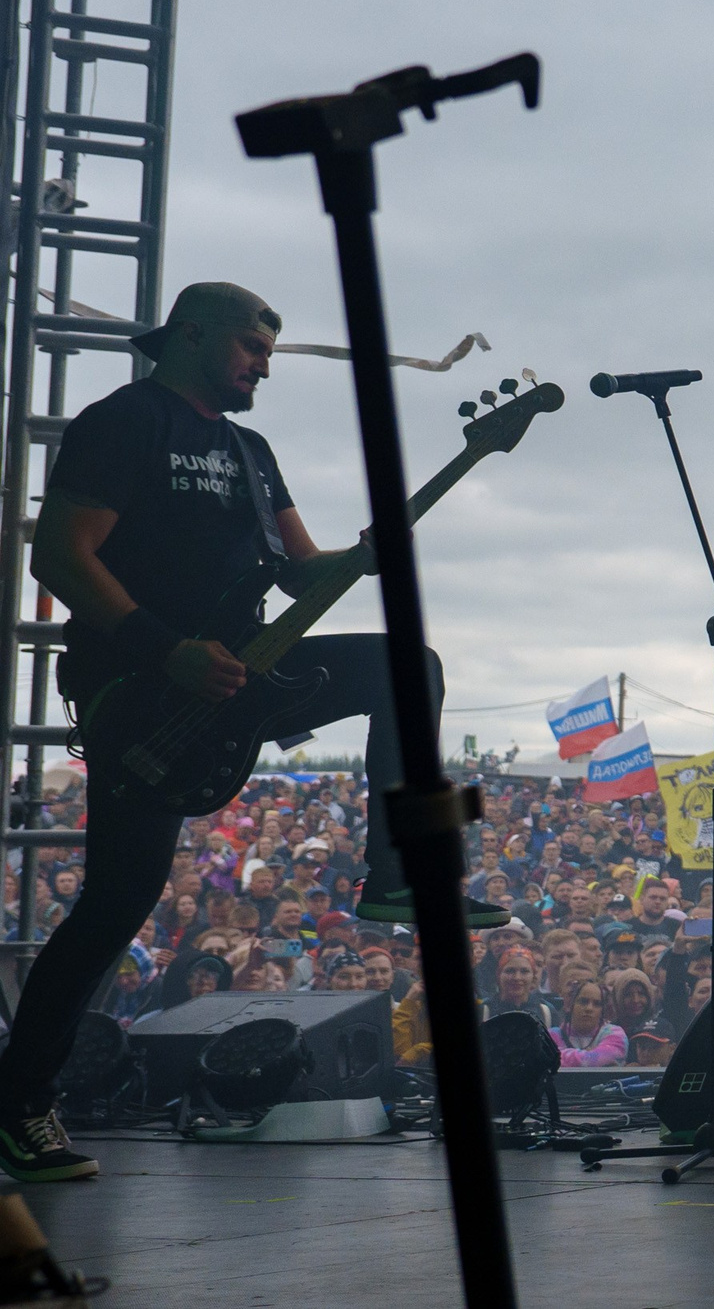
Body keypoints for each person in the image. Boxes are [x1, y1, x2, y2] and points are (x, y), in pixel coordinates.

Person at [0, 284, 511, 1183]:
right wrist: (167, 651)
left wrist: (364, 556)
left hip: (247, 671)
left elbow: (302, 569)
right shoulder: (125, 421)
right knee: (115, 907)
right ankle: (18, 1101)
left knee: (408, 665)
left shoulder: (252, 450)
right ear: (191, 336)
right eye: (251, 348)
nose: (264, 368)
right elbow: (60, 554)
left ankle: (396, 873)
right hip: (144, 691)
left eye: (270, 353)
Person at [551, 978, 629, 1068]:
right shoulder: (552, 1035)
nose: (589, 1008)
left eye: (597, 1004)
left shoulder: (616, 1034)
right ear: (570, 1004)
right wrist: (589, 1054)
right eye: (583, 1002)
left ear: (603, 1010)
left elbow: (598, 1060)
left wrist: (561, 1056)